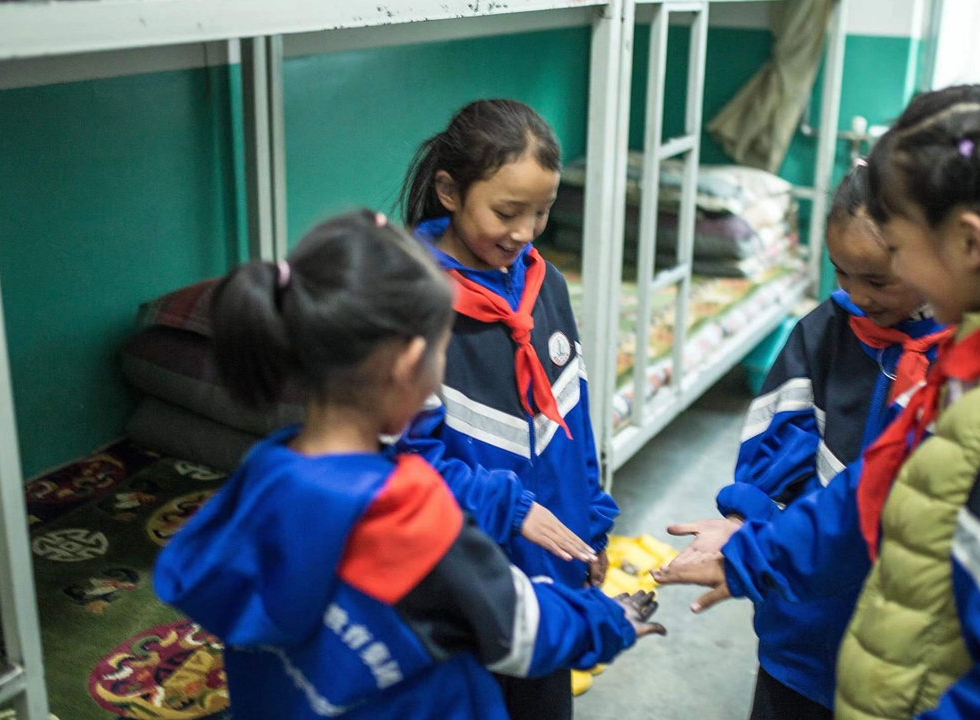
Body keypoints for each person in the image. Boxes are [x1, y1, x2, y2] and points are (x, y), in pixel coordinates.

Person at [657, 80, 980, 720]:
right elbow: (881, 489)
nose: (882, 285)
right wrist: (751, 554)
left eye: (899, 253)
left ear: (969, 242)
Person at [153, 210, 664, 720]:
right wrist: (607, 618)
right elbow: (521, 631)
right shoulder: (406, 511)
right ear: (408, 364)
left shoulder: (264, 473)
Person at [675, 163, 948, 720]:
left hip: (901, 638)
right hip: (801, 626)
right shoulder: (823, 334)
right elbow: (773, 452)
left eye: (877, 280)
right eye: (841, 273)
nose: (855, 294)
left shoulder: (960, 364)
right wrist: (748, 519)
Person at [396, 99, 616, 719]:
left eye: (541, 213)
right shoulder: (413, 304)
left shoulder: (545, 284)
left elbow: (572, 417)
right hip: (464, 580)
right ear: (448, 191)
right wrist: (509, 507)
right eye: (506, 212)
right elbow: (406, 462)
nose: (523, 233)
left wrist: (589, 524)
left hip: (545, 574)